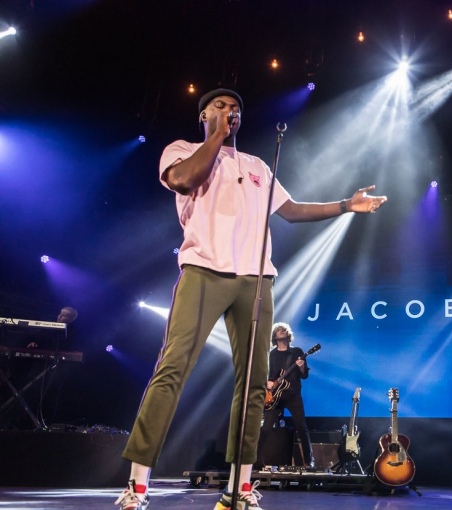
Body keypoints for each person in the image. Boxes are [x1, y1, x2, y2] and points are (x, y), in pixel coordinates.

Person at [116, 88, 387, 510]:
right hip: (203, 271)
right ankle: (137, 484)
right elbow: (185, 180)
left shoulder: (257, 165)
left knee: (254, 383)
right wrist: (216, 138)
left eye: (236, 109)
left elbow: (292, 210)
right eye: (220, 107)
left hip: (256, 279)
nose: (231, 112)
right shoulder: (182, 150)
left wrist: (345, 205)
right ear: (203, 114)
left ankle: (239, 488)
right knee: (173, 367)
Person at [259, 322, 313, 469]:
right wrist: (268, 384)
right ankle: (256, 461)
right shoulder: (271, 354)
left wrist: (301, 367)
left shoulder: (297, 352)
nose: (281, 330)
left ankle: (309, 461)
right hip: (274, 397)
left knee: (301, 427)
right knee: (266, 429)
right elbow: (264, 373)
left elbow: (304, 376)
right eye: (278, 329)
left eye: (284, 329)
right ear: (274, 336)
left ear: (288, 335)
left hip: (293, 395)